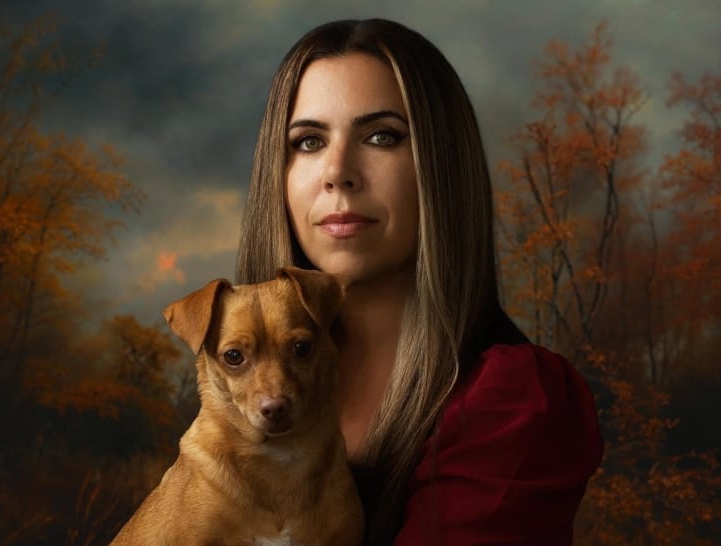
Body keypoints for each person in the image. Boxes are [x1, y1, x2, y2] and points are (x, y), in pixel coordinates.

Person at [235, 18, 603, 546]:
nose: (338, 171)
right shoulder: (241, 381)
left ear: (440, 164)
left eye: (382, 136)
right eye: (309, 141)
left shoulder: (512, 400)